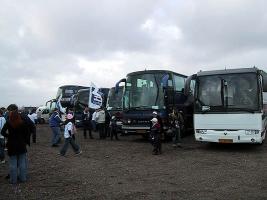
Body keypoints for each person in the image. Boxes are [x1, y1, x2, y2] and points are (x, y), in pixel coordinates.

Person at [1, 104, 31, 184]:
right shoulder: (22, 122)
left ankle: (13, 180)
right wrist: (24, 140)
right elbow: (27, 133)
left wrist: (9, 136)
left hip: (11, 144)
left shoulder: (8, 122)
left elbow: (2, 132)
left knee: (13, 163)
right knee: (22, 162)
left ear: (10, 115)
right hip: (21, 144)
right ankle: (23, 178)